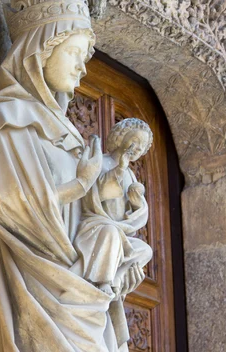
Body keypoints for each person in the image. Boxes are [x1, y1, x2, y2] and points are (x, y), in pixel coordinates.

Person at [0, 0, 123, 351]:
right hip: (40, 287)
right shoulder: (5, 118)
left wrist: (102, 199)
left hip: (85, 287)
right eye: (74, 53)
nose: (83, 69)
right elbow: (0, 203)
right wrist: (79, 185)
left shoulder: (69, 132)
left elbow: (82, 215)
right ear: (40, 51)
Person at [73, 118, 153, 349]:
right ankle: (104, 283)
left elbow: (135, 217)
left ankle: (116, 279)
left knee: (144, 249)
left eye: (142, 147)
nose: (136, 148)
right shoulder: (105, 163)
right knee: (111, 232)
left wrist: (138, 204)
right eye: (135, 141)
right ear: (120, 138)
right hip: (96, 225)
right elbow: (98, 192)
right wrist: (118, 170)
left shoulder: (131, 176)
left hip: (120, 233)